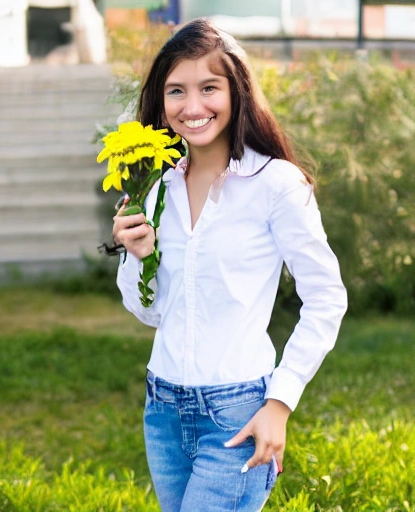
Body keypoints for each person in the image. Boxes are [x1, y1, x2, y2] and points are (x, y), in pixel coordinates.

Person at [112, 18, 347, 512]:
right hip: (163, 410)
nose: (192, 107)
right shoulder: (157, 187)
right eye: (176, 90)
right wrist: (138, 258)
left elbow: (327, 297)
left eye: (209, 88)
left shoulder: (276, 184)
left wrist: (279, 403)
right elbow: (151, 312)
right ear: (161, 100)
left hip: (237, 413)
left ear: (236, 92)